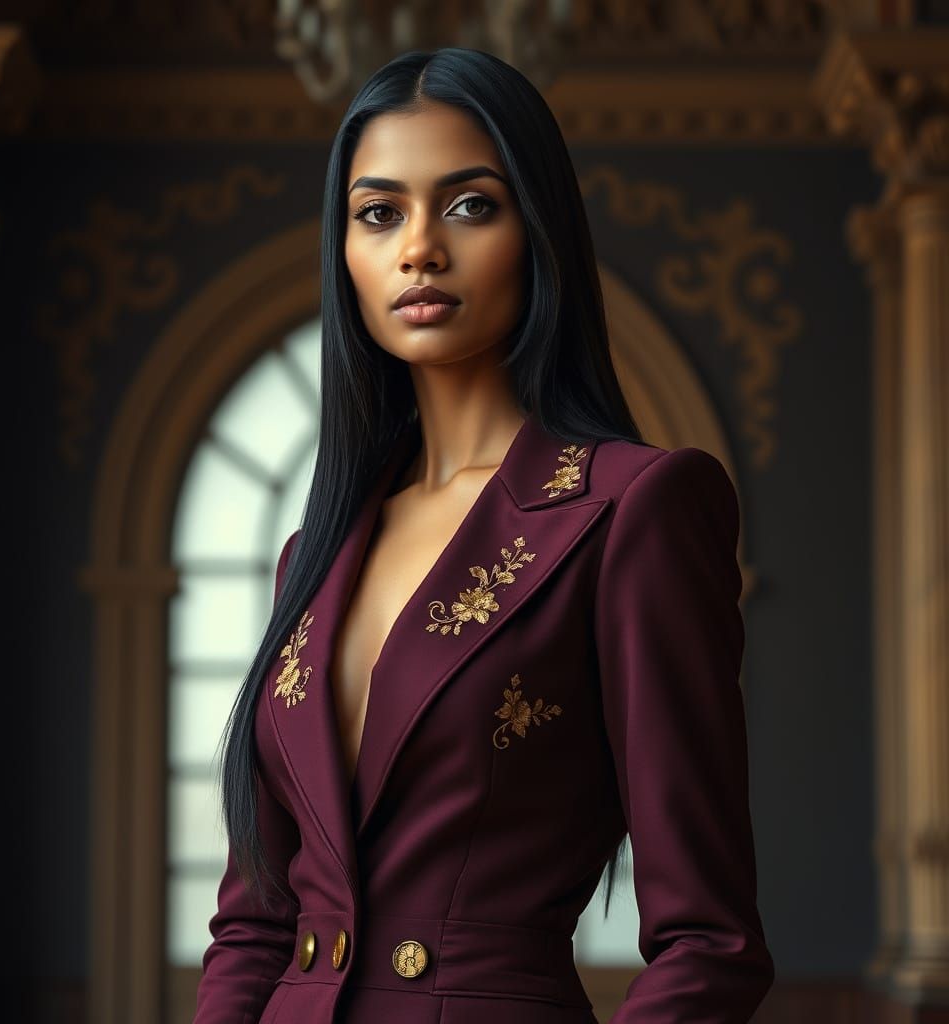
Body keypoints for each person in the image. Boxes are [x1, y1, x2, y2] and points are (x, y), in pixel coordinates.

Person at [192, 46, 774, 1024]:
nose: (419, 248)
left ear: (537, 231)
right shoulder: (314, 555)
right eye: (379, 213)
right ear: (344, 250)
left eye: (469, 205)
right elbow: (254, 926)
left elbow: (709, 947)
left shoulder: (631, 509)